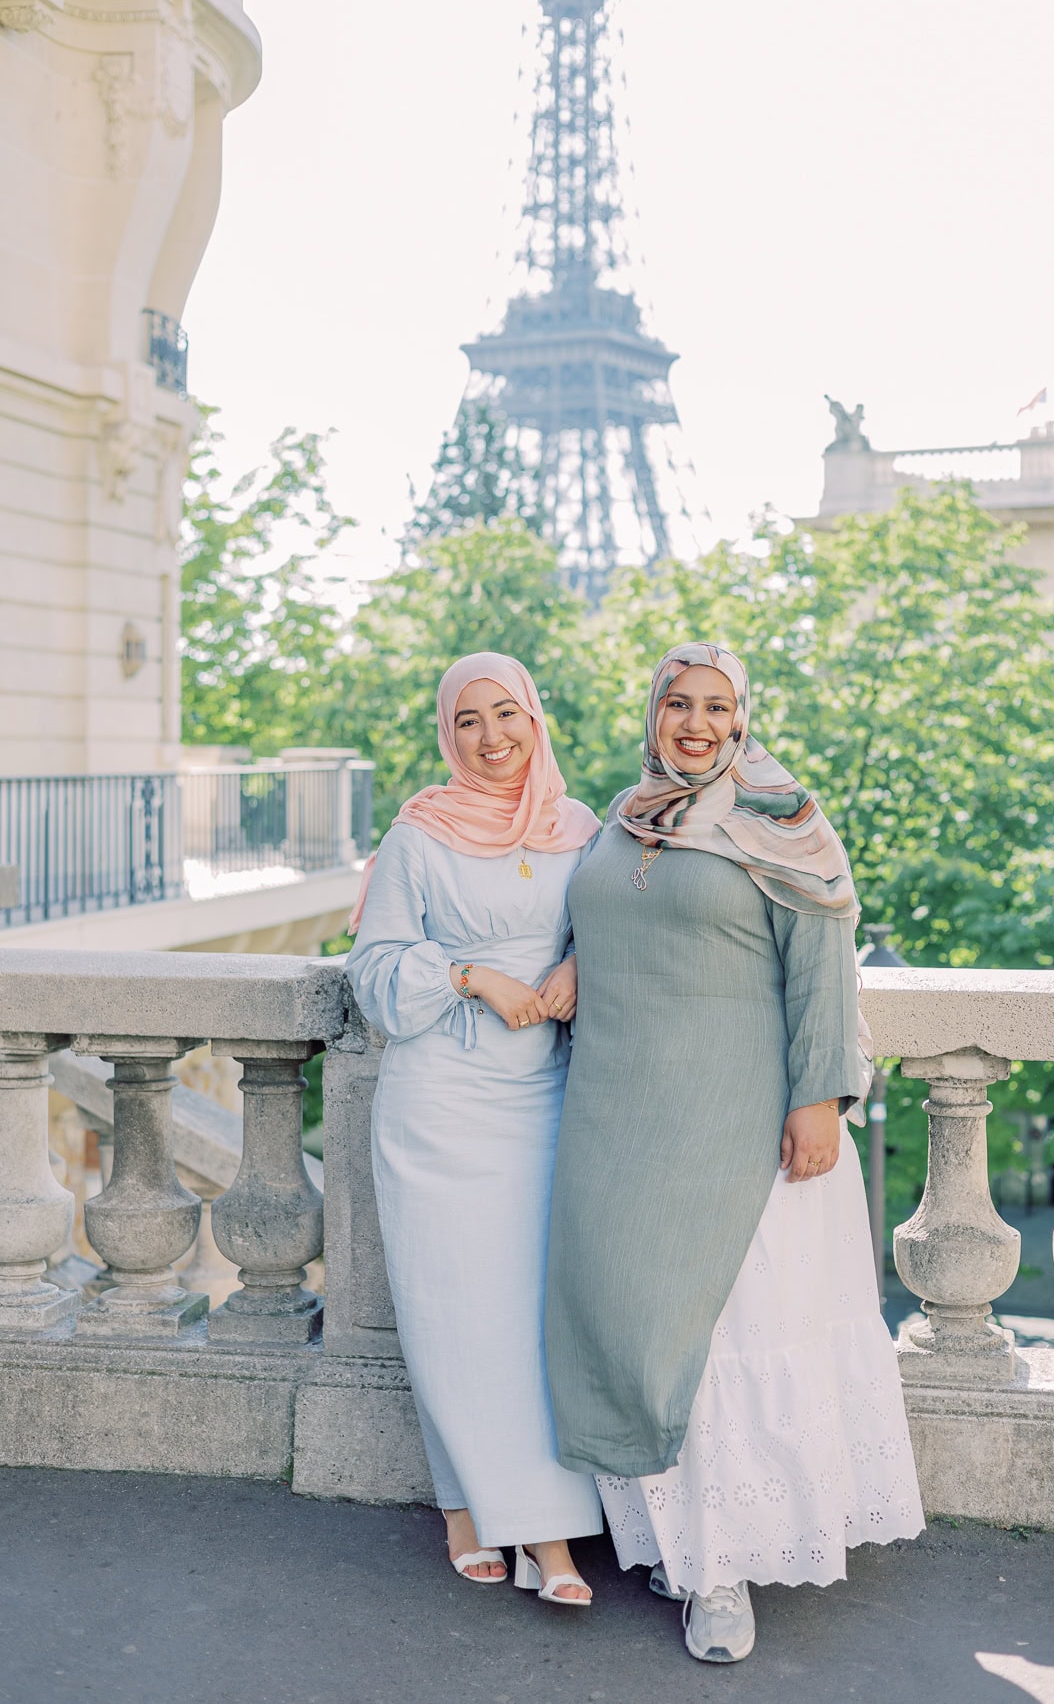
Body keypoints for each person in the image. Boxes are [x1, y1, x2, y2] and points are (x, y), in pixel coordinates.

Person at [545, 641, 924, 1662]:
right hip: (619, 1122)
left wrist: (818, 1098)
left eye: (718, 706)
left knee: (721, 1343)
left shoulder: (781, 820)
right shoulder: (628, 820)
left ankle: (725, 1576)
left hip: (742, 1126)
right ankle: (676, 1541)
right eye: (679, 702)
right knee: (638, 1329)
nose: (697, 724)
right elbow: (613, 924)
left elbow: (823, 968)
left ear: (744, 719)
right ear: (653, 712)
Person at [347, 652, 602, 1606]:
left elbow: (612, 922)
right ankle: (506, 1522)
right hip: (442, 1100)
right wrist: (467, 974)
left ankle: (515, 1518)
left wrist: (579, 959)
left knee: (531, 1315)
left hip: (543, 1097)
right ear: (446, 735)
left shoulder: (581, 829)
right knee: (456, 1311)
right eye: (468, 722)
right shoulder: (419, 834)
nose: (492, 738)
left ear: (537, 719)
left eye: (508, 715)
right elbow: (372, 971)